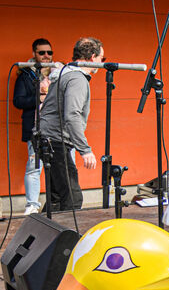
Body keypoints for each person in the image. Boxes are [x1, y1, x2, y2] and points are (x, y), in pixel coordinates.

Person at [36, 37, 102, 211]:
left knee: (57, 196)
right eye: (101, 58)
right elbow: (72, 115)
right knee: (72, 197)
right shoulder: (77, 78)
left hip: (47, 138)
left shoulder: (65, 74)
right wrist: (85, 150)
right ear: (92, 57)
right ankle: (65, 230)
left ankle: (47, 228)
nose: (102, 63)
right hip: (54, 141)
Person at [12, 38, 56, 215]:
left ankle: (59, 202)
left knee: (60, 166)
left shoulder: (58, 72)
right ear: (34, 54)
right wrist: (39, 98)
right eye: (42, 52)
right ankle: (32, 205)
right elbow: (18, 101)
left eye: (49, 52)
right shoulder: (26, 75)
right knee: (34, 167)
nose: (46, 56)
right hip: (35, 128)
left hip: (56, 128)